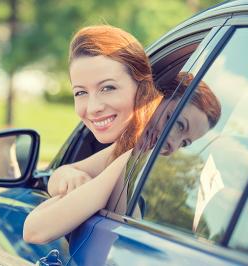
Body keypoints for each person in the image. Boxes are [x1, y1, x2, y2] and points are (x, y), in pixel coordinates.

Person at [23, 25, 221, 244]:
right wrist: (66, 176)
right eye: (175, 123)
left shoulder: (135, 159)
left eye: (185, 142)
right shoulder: (129, 155)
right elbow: (65, 180)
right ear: (152, 95)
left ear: (141, 89)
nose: (93, 107)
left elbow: (35, 230)